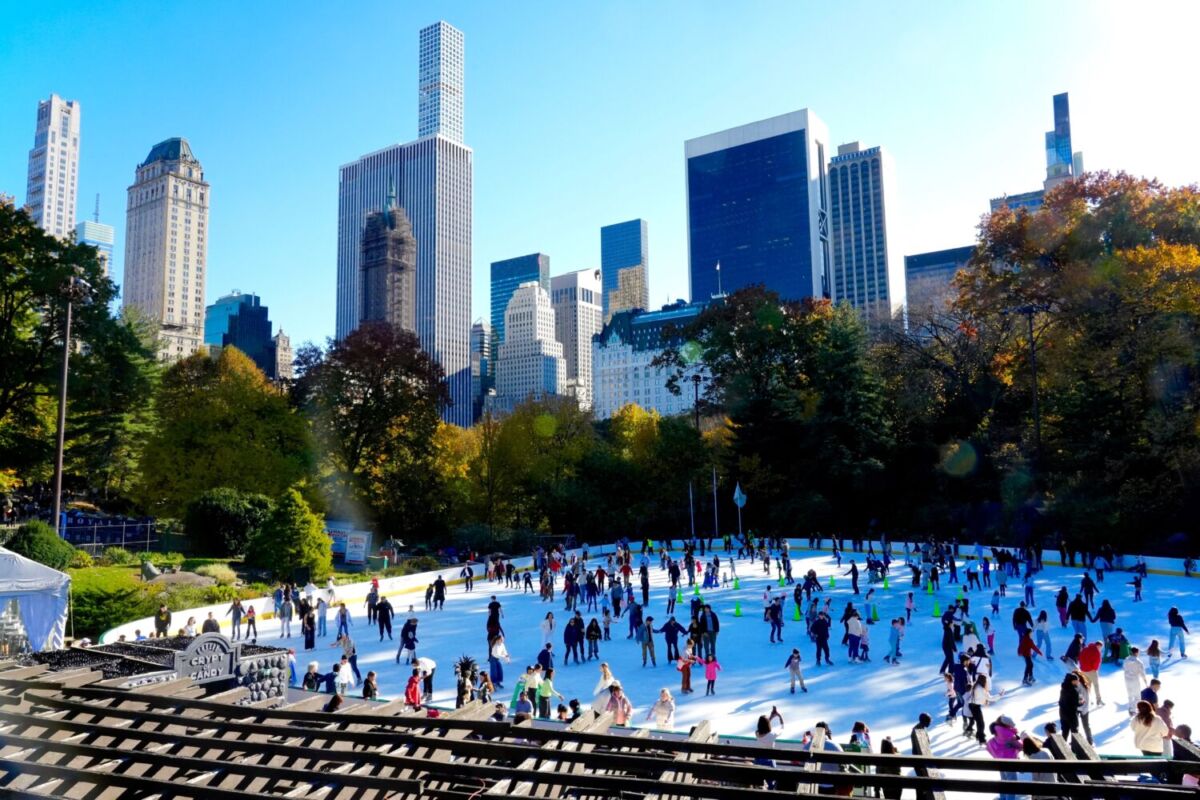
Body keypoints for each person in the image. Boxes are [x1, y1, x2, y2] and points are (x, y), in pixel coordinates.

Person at [986, 715, 1022, 800]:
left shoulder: (996, 731)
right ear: (1007, 725)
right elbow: (1020, 745)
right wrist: (1019, 739)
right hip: (1010, 762)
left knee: (1004, 781)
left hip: (1000, 761)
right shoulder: (1009, 734)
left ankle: (1003, 798)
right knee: (1011, 784)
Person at [966, 674, 991, 745]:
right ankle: (981, 739)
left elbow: (979, 697)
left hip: (972, 705)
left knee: (979, 722)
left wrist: (984, 701)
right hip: (975, 706)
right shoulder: (980, 688)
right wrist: (1000, 695)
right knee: (981, 723)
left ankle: (978, 735)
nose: (986, 682)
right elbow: (990, 698)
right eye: (985, 680)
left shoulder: (976, 685)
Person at [1123, 646, 1148, 714]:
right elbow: (1142, 673)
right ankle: (1133, 709)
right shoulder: (1139, 662)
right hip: (1135, 680)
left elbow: (1124, 668)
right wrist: (1145, 681)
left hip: (1127, 679)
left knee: (1130, 695)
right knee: (1137, 696)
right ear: (1137, 653)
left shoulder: (1126, 660)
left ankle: (1131, 707)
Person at [1078, 640, 1104, 706]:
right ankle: (1099, 700)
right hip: (1091, 671)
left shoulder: (1085, 649)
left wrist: (1082, 667)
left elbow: (1080, 658)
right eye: (1101, 647)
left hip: (1083, 670)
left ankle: (1087, 699)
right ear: (1098, 646)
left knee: (1087, 685)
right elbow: (1097, 662)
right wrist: (1095, 669)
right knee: (1096, 685)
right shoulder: (1096, 652)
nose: (1100, 649)